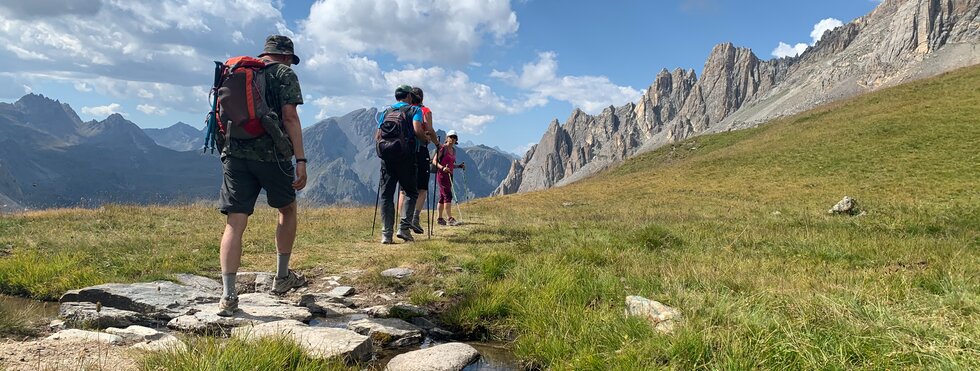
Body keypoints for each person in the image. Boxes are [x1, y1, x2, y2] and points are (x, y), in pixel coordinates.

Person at [217, 35, 308, 317]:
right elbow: (290, 117)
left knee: (235, 222)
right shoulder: (283, 74)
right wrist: (301, 159)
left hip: (234, 153)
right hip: (272, 156)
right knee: (287, 208)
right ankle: (282, 278)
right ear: (286, 56)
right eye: (291, 60)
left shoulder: (235, 71)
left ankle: (228, 296)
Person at [379, 85, 427, 244]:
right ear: (408, 96)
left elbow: (378, 135)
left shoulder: (386, 112)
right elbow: (417, 130)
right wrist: (425, 140)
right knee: (411, 192)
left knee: (386, 195)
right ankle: (404, 229)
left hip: (387, 158)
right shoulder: (414, 111)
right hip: (406, 157)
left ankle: (386, 234)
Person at [398, 87, 439, 234]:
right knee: (422, 188)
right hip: (420, 150)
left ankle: (401, 223)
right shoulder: (424, 110)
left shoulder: (403, 110)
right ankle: (414, 219)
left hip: (403, 152)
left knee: (404, 189)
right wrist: (436, 143)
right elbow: (429, 129)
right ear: (422, 97)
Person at [433, 130, 465, 226]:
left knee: (442, 197)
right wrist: (443, 168)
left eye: (455, 137)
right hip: (442, 175)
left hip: (450, 174)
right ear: (447, 138)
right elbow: (434, 161)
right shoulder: (443, 148)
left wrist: (459, 166)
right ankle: (449, 218)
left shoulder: (454, 151)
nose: (453, 139)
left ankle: (439, 218)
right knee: (448, 195)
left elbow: (451, 164)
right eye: (451, 137)